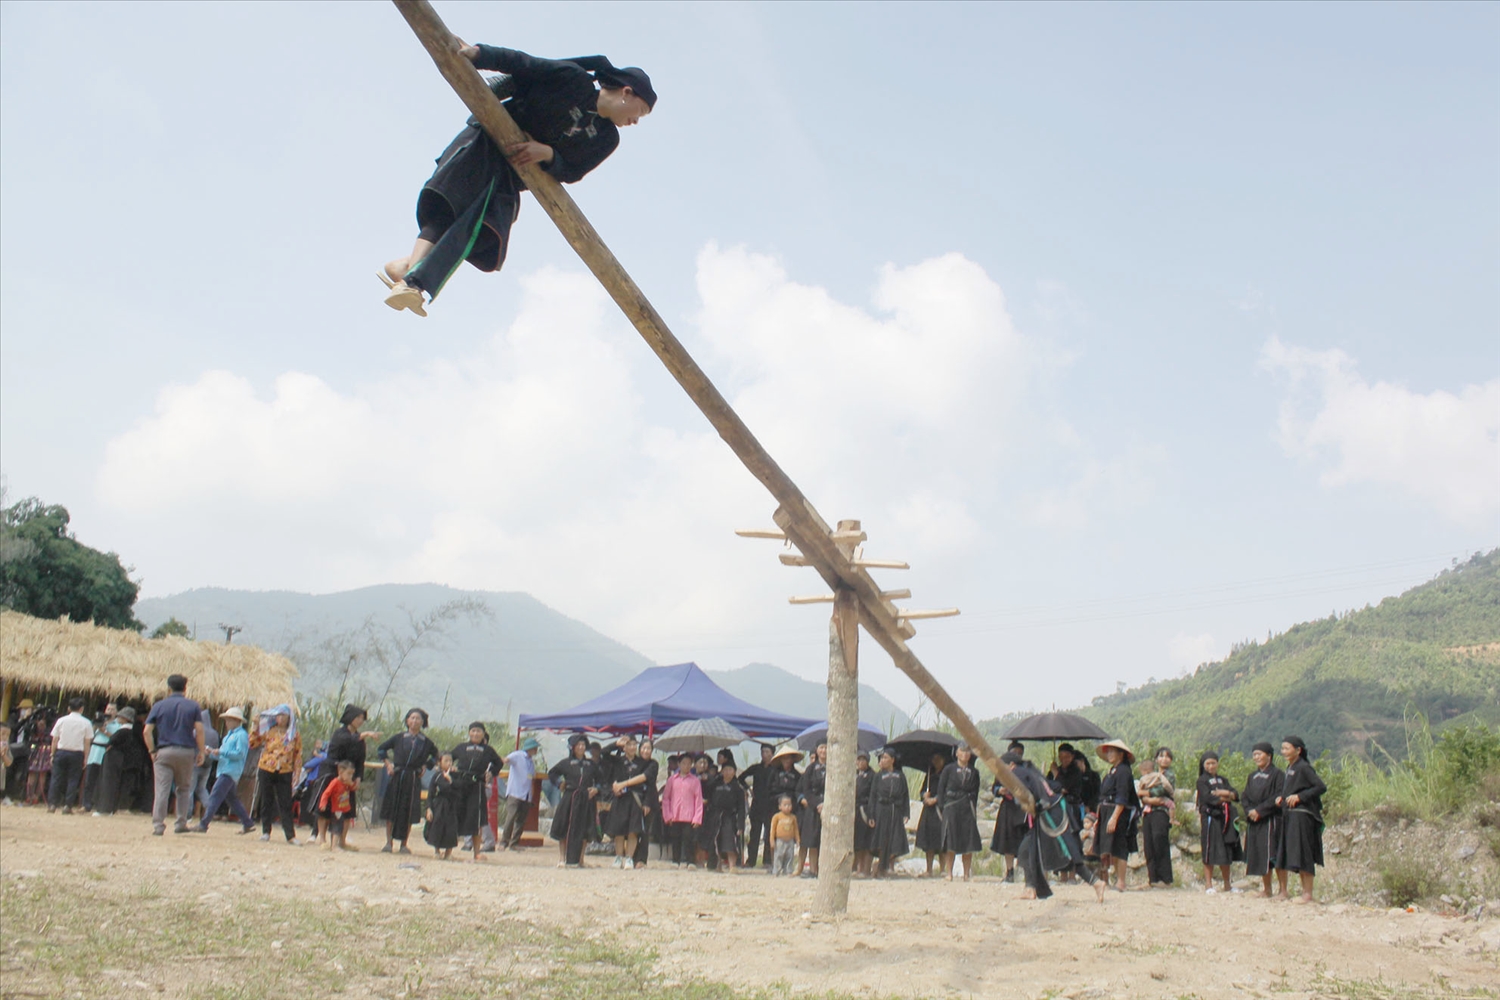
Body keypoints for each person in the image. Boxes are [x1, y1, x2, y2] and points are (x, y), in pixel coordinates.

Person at [381, 46, 656, 317]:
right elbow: (524, 64)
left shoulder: (607, 140)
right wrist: (478, 54)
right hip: (484, 142)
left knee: (479, 230)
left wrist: (548, 154)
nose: (635, 121)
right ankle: (412, 282)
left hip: (510, 177)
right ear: (626, 92)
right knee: (451, 210)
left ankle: (408, 269)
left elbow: (573, 171)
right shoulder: (573, 80)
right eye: (640, 111)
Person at [1007, 751, 1105, 903]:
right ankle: (1030, 888)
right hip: (1048, 813)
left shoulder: (1018, 772)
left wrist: (1023, 804)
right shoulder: (1029, 770)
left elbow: (1028, 797)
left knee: (1068, 852)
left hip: (1052, 814)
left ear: (1011, 765)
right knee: (1027, 849)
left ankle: (1096, 883)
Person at [144, 675, 207, 836]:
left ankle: (158, 825)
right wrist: (201, 751)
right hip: (186, 752)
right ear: (185, 689)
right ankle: (181, 822)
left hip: (164, 751)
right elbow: (199, 730)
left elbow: (147, 731)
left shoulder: (159, 706)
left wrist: (152, 751)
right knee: (184, 788)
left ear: (168, 688)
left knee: (162, 789)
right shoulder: (193, 706)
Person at [376, 708, 438, 855]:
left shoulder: (426, 742)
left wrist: (426, 766)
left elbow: (436, 756)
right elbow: (381, 749)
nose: (415, 721)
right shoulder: (399, 738)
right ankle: (388, 843)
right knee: (392, 808)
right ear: (407, 720)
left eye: (418, 719)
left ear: (423, 722)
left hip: (413, 778)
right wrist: (388, 764)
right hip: (397, 776)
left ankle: (404, 844)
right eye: (412, 718)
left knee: (408, 811)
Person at [1274, 736, 1327, 904]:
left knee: (1304, 852)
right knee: (1290, 852)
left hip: (1303, 816)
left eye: (1287, 748)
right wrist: (1282, 798)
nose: (1284, 752)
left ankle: (1307, 893)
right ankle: (1286, 891)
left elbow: (1320, 787)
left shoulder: (1304, 767)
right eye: (1282, 748)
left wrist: (1300, 796)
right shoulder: (1290, 768)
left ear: (1298, 750)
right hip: (1290, 815)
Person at [249, 704, 302, 845]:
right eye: (278, 715)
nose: (281, 718)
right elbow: (253, 743)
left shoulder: (294, 735)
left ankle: (290, 835)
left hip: (285, 770)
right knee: (266, 799)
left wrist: (297, 773)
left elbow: (297, 755)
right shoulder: (269, 731)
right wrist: (255, 727)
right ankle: (266, 831)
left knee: (285, 802)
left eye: (284, 716)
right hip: (267, 767)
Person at [199, 706, 255, 834]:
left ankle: (204, 824)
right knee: (232, 799)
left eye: (229, 720)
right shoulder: (228, 736)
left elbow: (240, 754)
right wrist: (212, 753)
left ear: (237, 721)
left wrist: (221, 751)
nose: (227, 722)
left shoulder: (241, 735)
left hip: (230, 771)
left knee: (215, 796)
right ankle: (248, 823)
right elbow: (224, 755)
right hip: (226, 769)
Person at [454, 723, 505, 861]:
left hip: (477, 785)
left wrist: (491, 773)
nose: (475, 734)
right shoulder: (461, 747)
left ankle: (476, 852)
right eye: (473, 731)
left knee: (476, 819)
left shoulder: (488, 750)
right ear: (469, 733)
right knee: (454, 814)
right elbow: (448, 758)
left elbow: (499, 763)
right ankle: (446, 849)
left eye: (478, 731)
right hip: (461, 785)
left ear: (483, 734)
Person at [1242, 742, 1286, 898]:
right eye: (1254, 754)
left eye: (1259, 754)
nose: (1256, 757)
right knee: (1261, 855)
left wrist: (1260, 811)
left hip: (1271, 819)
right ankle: (1267, 890)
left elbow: (1278, 795)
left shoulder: (1278, 775)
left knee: (1275, 855)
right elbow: (1245, 796)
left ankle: (1283, 890)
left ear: (1269, 755)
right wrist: (1249, 811)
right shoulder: (1252, 776)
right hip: (1255, 820)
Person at [548, 734, 599, 868]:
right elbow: (552, 773)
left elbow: (601, 780)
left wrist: (596, 789)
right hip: (570, 798)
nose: (581, 747)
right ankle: (562, 858)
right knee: (564, 827)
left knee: (585, 829)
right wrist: (560, 784)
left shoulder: (591, 764)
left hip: (586, 799)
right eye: (578, 745)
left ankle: (581, 859)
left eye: (583, 745)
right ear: (573, 747)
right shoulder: (566, 763)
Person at [1095, 739, 1140, 892]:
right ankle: (1105, 880)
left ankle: (1121, 882)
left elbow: (1122, 795)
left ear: (1121, 754)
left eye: (1112, 751)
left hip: (1119, 812)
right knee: (1106, 845)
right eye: (1108, 751)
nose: (1109, 754)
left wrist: (1114, 817)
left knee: (1120, 844)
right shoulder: (1112, 771)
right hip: (1107, 810)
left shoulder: (1124, 771)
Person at [1196, 751, 1242, 893]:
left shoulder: (1223, 780)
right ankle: (1208, 884)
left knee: (1226, 849)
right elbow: (1207, 798)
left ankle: (1227, 884)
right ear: (1203, 765)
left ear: (1217, 763)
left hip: (1225, 818)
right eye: (1208, 763)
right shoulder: (1202, 781)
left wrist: (1223, 793)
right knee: (1209, 849)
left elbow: (1235, 794)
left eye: (1213, 763)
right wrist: (1225, 796)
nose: (1211, 766)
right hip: (1210, 818)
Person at [603, 735, 650, 869]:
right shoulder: (618, 760)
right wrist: (615, 744)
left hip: (635, 799)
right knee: (619, 831)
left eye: (634, 744)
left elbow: (648, 784)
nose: (632, 747)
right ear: (624, 747)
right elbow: (603, 754)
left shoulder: (642, 763)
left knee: (633, 830)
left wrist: (646, 801)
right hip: (620, 799)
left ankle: (629, 857)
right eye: (629, 745)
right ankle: (618, 857)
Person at [937, 744, 983, 882]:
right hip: (951, 807)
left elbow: (976, 791)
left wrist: (972, 807)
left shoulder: (974, 772)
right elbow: (941, 789)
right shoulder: (948, 769)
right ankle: (949, 873)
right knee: (950, 840)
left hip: (967, 808)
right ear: (956, 753)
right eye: (962, 751)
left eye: (968, 751)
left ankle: (966, 874)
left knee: (968, 842)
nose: (965, 753)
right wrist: (942, 806)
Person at [96, 708, 148, 815]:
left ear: (125, 719)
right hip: (126, 761)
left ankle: (106, 808)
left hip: (116, 759)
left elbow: (112, 741)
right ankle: (115, 807)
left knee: (110, 783)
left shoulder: (123, 731)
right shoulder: (133, 731)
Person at [866, 748, 910, 878]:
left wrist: (906, 813)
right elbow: (872, 795)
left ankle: (888, 866)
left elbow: (905, 795)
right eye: (881, 758)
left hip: (895, 810)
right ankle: (880, 867)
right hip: (881, 809)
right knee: (881, 839)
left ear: (892, 760)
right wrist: (871, 815)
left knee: (895, 839)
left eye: (886, 758)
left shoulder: (900, 776)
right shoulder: (878, 776)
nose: (883, 760)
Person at [995, 741, 1034, 882]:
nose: (1017, 755)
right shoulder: (1001, 770)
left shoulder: (1026, 769)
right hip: (1008, 807)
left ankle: (1024, 871)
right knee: (1007, 840)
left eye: (1019, 753)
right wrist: (1000, 790)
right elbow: (994, 788)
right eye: (1014, 752)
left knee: (1022, 840)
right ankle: (1009, 871)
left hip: (1022, 809)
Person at [47, 696, 93, 814]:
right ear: (81, 709)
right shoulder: (86, 723)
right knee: (73, 779)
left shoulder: (61, 720)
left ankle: (52, 804)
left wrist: (52, 754)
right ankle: (68, 806)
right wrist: (86, 758)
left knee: (56, 778)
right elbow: (87, 742)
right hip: (77, 753)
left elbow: (55, 739)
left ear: (69, 708)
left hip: (61, 751)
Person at [1137, 752, 1176, 888]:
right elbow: (1140, 793)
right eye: (1161, 756)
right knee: (1149, 844)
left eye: (1167, 756)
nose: (1164, 759)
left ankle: (1165, 879)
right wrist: (1147, 799)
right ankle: (1152, 879)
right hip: (1148, 811)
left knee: (1159, 839)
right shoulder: (1147, 777)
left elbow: (1162, 792)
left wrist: (1146, 795)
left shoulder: (1168, 776)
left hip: (1161, 810)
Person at [660, 751, 704, 867]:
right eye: (684, 763)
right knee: (675, 839)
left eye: (689, 763)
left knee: (689, 839)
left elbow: (698, 800)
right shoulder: (672, 780)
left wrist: (697, 817)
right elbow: (666, 798)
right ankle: (676, 861)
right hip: (674, 815)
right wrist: (667, 815)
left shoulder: (695, 781)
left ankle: (690, 861)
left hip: (689, 816)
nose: (686, 766)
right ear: (679, 764)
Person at [739, 744, 778, 868]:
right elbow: (741, 778)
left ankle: (767, 861)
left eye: (767, 752)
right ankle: (751, 860)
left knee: (768, 835)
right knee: (754, 834)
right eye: (762, 752)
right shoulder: (756, 768)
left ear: (772, 753)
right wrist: (748, 789)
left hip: (771, 806)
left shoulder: (776, 769)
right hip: (757, 805)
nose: (764, 754)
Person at [705, 760, 747, 872]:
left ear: (734, 771)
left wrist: (740, 825)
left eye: (730, 770)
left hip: (730, 817)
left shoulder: (738, 788)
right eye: (725, 770)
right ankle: (717, 865)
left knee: (730, 841)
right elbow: (707, 793)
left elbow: (742, 808)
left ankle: (732, 866)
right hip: (715, 816)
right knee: (716, 841)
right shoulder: (715, 784)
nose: (727, 772)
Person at [795, 743, 828, 878]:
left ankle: (825, 870)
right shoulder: (810, 769)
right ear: (817, 750)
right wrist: (817, 805)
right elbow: (806, 790)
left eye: (826, 747)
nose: (824, 750)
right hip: (813, 808)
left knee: (825, 840)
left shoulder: (835, 767)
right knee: (812, 840)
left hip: (829, 805)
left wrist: (826, 803)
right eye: (821, 747)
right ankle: (813, 870)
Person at [914, 751, 947, 877]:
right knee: (928, 841)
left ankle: (943, 869)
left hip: (941, 810)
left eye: (938, 759)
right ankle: (929, 869)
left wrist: (936, 799)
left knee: (942, 840)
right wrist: (924, 796)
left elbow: (947, 790)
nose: (936, 762)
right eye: (934, 759)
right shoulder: (929, 774)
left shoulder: (946, 773)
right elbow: (922, 790)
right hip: (929, 811)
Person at [318, 759, 361, 851]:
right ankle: (334, 846)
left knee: (340, 827)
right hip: (337, 809)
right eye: (348, 774)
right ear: (340, 772)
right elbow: (326, 793)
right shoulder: (335, 782)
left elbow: (353, 788)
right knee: (337, 828)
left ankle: (336, 844)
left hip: (344, 808)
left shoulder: (346, 783)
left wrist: (351, 783)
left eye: (352, 774)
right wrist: (323, 803)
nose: (351, 776)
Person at [82, 705, 117, 813]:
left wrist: (104, 730)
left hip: (105, 752)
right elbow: (89, 737)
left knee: (102, 781)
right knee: (89, 780)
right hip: (94, 752)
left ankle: (100, 804)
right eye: (107, 709)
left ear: (116, 712)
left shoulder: (117, 725)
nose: (109, 711)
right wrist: (96, 726)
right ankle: (86, 804)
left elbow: (116, 738)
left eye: (112, 709)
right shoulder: (97, 723)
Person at [632, 738, 661, 868]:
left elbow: (649, 782)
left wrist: (647, 803)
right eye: (643, 748)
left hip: (649, 800)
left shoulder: (653, 764)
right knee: (633, 830)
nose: (645, 751)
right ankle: (631, 856)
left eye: (648, 748)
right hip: (634, 800)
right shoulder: (635, 762)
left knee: (645, 831)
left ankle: (641, 859)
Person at [424, 752, 459, 860]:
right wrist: (429, 808)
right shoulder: (437, 775)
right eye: (446, 761)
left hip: (452, 804)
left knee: (451, 828)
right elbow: (431, 793)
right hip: (439, 804)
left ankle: (448, 852)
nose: (449, 763)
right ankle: (437, 850)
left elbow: (459, 790)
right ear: (440, 762)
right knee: (437, 826)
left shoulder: (455, 775)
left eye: (450, 761)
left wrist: (451, 780)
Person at [190, 708, 221, 822]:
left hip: (196, 762)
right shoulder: (215, 733)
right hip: (208, 764)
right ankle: (210, 808)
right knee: (201, 788)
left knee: (190, 788)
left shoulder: (196, 731)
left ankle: (188, 813)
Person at [24, 707, 55, 805]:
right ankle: (35, 797)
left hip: (36, 749)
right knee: (41, 774)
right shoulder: (51, 725)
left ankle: (30, 796)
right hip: (45, 750)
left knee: (33, 773)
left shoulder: (35, 724)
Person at [852, 751, 875, 876]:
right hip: (854, 809)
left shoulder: (872, 776)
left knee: (867, 841)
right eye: (858, 759)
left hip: (866, 809)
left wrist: (871, 814)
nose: (860, 762)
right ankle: (858, 867)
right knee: (857, 841)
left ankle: (866, 869)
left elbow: (873, 795)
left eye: (863, 760)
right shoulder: (854, 774)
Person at [769, 794, 801, 877]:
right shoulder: (777, 817)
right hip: (780, 840)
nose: (787, 807)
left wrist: (797, 839)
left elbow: (796, 829)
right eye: (785, 805)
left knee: (790, 856)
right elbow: (772, 829)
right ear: (780, 806)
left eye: (789, 805)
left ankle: (788, 870)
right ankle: (776, 871)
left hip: (790, 840)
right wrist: (772, 840)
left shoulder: (793, 817)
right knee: (778, 855)